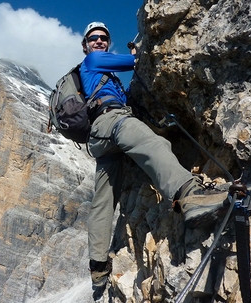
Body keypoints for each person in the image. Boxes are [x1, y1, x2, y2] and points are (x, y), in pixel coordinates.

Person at [79, 22, 229, 292]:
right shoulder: (93, 60)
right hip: (111, 120)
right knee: (153, 142)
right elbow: (133, 62)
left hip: (98, 138)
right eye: (94, 38)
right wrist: (139, 53)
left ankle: (98, 269)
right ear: (86, 45)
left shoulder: (97, 74)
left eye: (103, 37)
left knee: (102, 201)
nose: (99, 41)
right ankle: (189, 194)